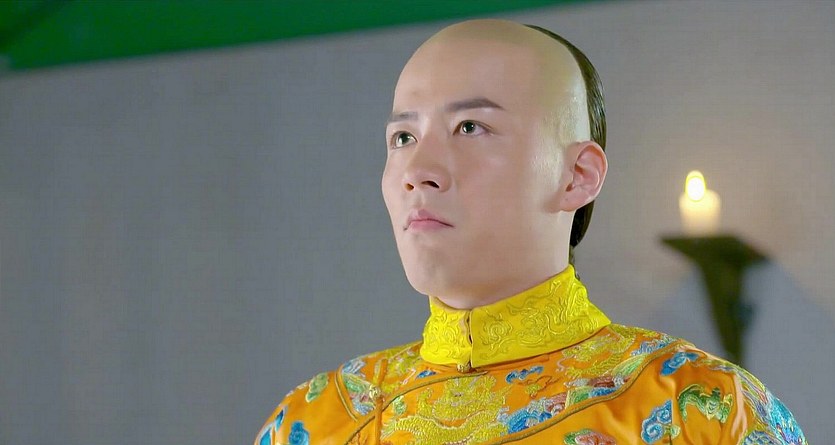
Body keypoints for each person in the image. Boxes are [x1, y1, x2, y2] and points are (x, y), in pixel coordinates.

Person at [255, 19, 806, 444]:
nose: (418, 170)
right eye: (403, 137)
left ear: (577, 176)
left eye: (470, 127)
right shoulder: (313, 422)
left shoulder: (704, 413)